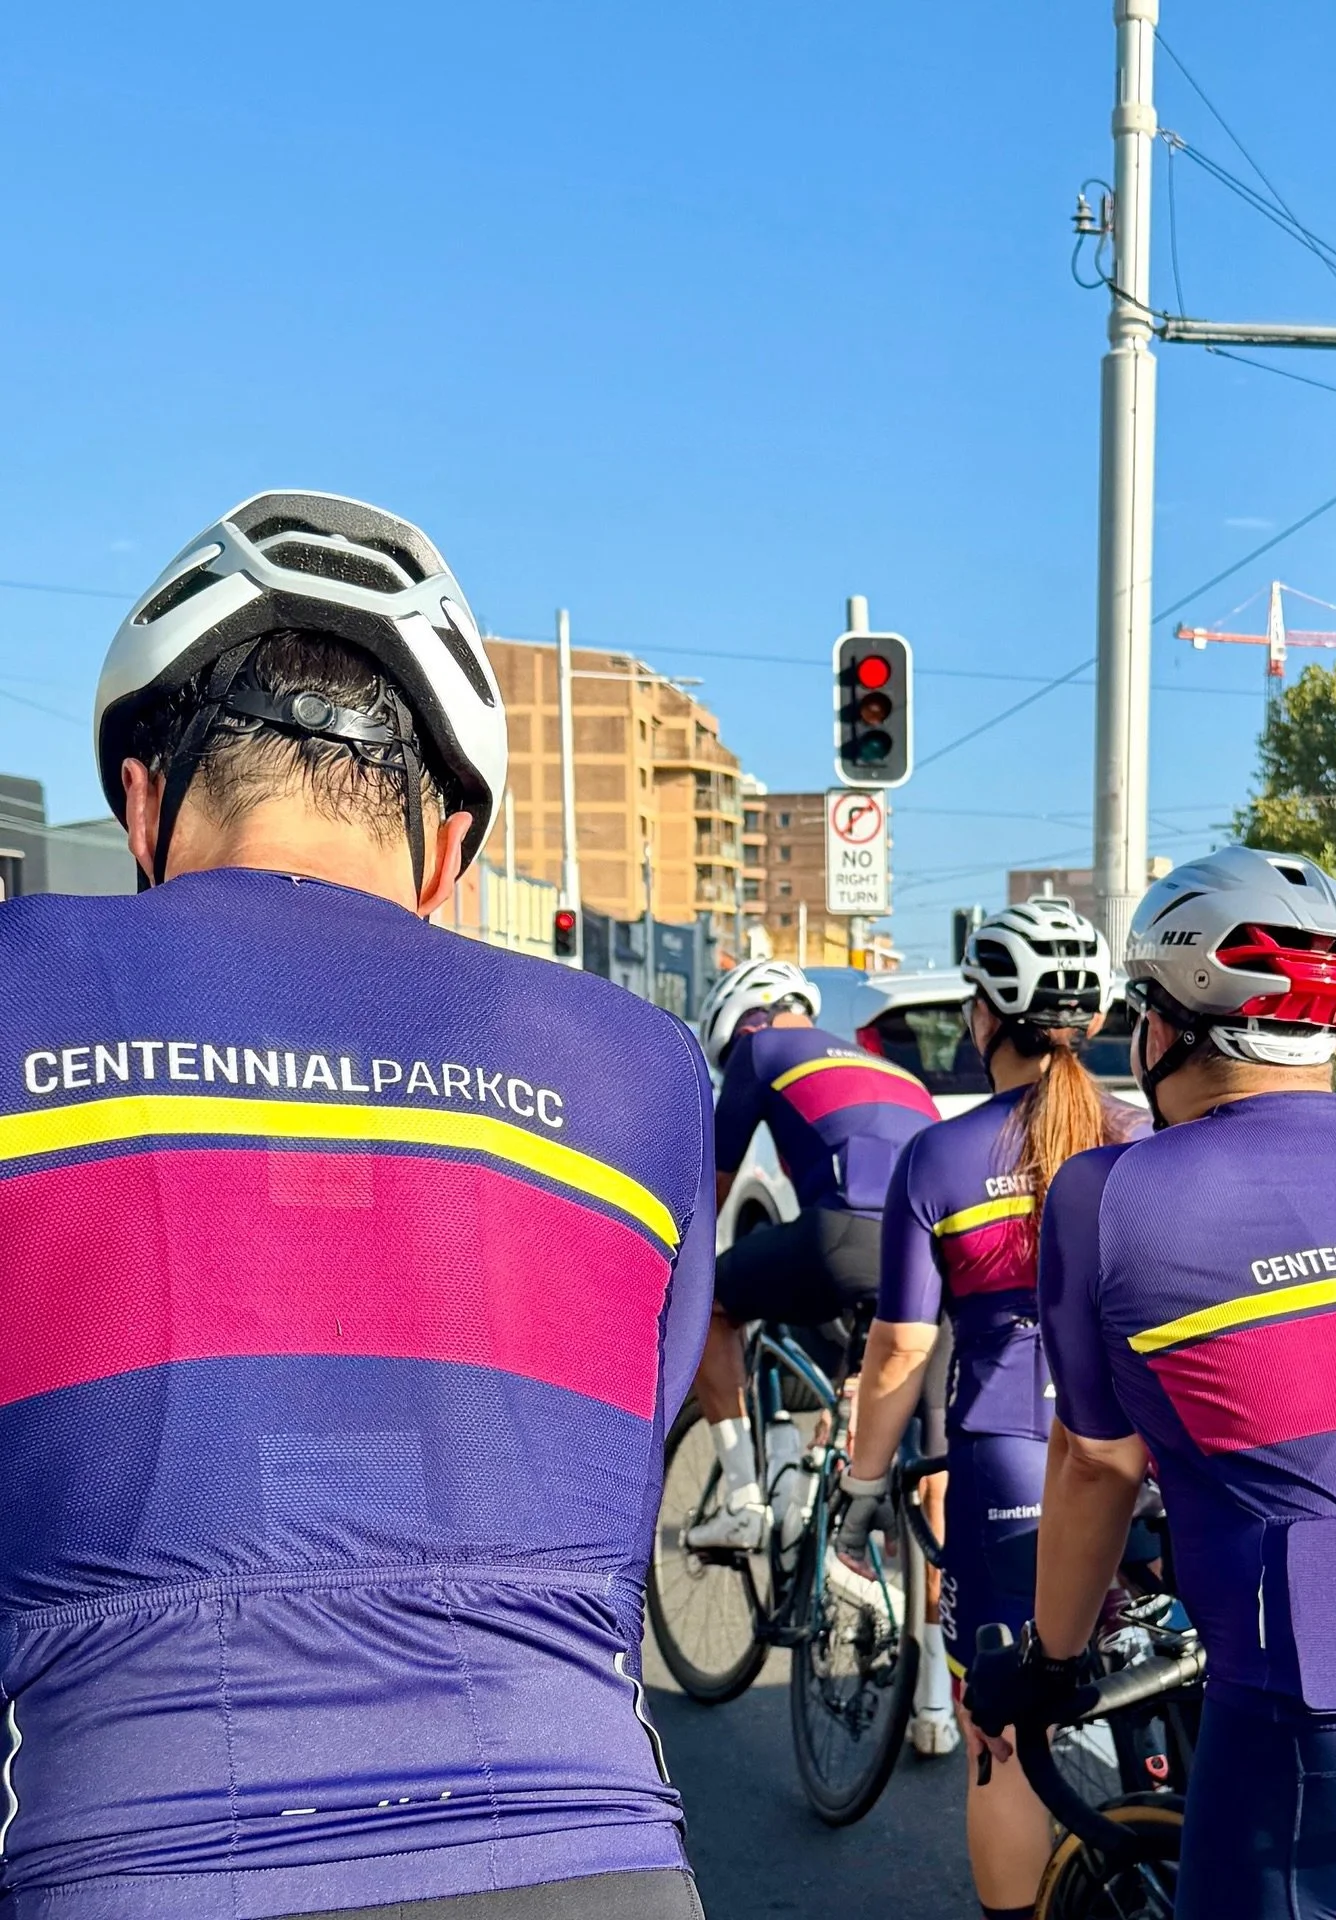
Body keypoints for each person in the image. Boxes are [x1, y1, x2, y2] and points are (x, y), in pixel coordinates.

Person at [0, 492, 715, 1920]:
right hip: (594, 1855)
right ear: (448, 849)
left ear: (142, 800)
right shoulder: (638, 1064)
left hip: (135, 1843)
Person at [966, 845, 1336, 1920]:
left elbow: (1096, 1458)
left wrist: (1047, 1664)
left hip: (1335, 1668)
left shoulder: (1107, 1192)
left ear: (1164, 1024)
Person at [841, 897, 1142, 1917]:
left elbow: (901, 1347)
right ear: (1091, 1023)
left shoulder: (939, 1156)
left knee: (1003, 1733)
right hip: (1149, 1450)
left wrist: (865, 1484)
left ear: (985, 1019)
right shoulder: (1139, 1138)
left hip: (1014, 1458)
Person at [686, 960, 940, 1558]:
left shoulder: (761, 1048)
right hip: (927, 1255)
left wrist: (670, 1267)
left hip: (843, 1236)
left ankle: (741, 1503)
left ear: (742, 1023)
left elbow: (711, 1192)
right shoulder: (895, 1071)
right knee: (857, 1380)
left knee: (712, 1303)